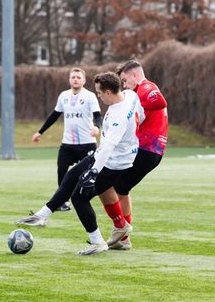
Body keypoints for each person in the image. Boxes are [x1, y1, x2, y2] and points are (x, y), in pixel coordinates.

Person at [16, 71, 144, 255]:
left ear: (108, 92)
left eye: (100, 93)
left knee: (79, 198)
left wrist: (93, 173)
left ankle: (98, 242)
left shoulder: (119, 117)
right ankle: (41, 216)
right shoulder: (130, 95)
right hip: (103, 155)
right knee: (71, 175)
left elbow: (108, 148)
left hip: (112, 164)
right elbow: (141, 114)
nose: (99, 96)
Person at [99, 59, 168, 251]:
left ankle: (122, 232)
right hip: (149, 151)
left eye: (124, 80)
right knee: (120, 189)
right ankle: (123, 236)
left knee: (108, 185)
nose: (124, 85)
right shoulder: (139, 91)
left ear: (134, 75)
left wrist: (134, 106)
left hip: (146, 150)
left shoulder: (146, 87)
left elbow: (160, 101)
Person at [32, 68, 102, 211]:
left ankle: (90, 197)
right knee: (61, 171)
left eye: (78, 77)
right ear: (69, 80)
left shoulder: (89, 96)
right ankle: (63, 202)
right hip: (68, 144)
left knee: (91, 173)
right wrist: (40, 132)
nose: (75, 79)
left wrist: (96, 127)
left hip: (87, 143)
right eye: (73, 77)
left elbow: (98, 116)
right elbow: (54, 116)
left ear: (84, 80)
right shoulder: (64, 96)